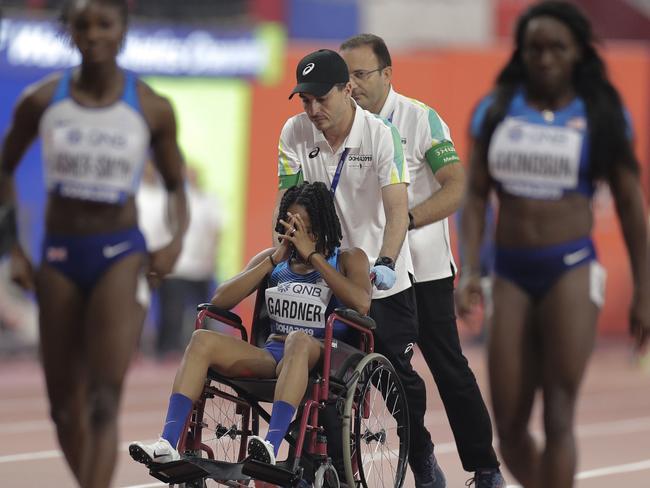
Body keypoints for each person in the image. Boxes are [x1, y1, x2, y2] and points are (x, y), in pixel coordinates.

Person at [457, 2, 650, 488]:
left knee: (559, 415)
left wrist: (646, 292)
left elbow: (630, 205)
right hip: (510, 272)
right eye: (534, 48)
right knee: (510, 430)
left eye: (556, 49)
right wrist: (471, 269)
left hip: (571, 267)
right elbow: (476, 196)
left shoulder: (602, 114)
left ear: (578, 54)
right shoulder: (497, 108)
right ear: (520, 53)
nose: (544, 58)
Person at [0, 1, 188, 487]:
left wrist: (174, 241)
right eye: (82, 25)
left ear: (122, 31)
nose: (94, 34)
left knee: (105, 399)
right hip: (59, 255)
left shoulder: (150, 106)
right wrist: (14, 248)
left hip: (119, 255)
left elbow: (175, 186)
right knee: (63, 407)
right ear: (70, 33)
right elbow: (5, 167)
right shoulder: (42, 101)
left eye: (105, 23)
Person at [339, 34, 505, 487]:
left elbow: (456, 186)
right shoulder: (343, 125)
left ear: (387, 74)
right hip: (374, 273)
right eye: (345, 76)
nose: (351, 85)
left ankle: (485, 468)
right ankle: (423, 459)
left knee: (449, 368)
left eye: (360, 74)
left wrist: (405, 220)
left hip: (426, 270)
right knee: (385, 371)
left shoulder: (420, 119)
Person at [274, 49, 438, 487]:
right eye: (304, 100)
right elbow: (286, 208)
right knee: (321, 378)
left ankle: (420, 452)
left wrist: (385, 261)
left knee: (399, 384)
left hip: (381, 281)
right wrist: (287, 257)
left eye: (321, 99)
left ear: (347, 89)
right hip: (324, 278)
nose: (312, 110)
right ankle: (312, 464)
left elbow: (397, 208)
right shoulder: (295, 133)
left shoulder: (381, 135)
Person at [129, 181, 372, 465]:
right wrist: (272, 259)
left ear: (321, 225)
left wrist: (314, 257)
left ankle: (270, 444)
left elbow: (361, 303)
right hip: (273, 355)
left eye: (304, 226)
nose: (297, 233)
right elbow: (219, 300)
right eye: (291, 224)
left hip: (322, 357)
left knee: (298, 341)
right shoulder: (273, 261)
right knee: (201, 340)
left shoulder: (347, 259)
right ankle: (167, 443)